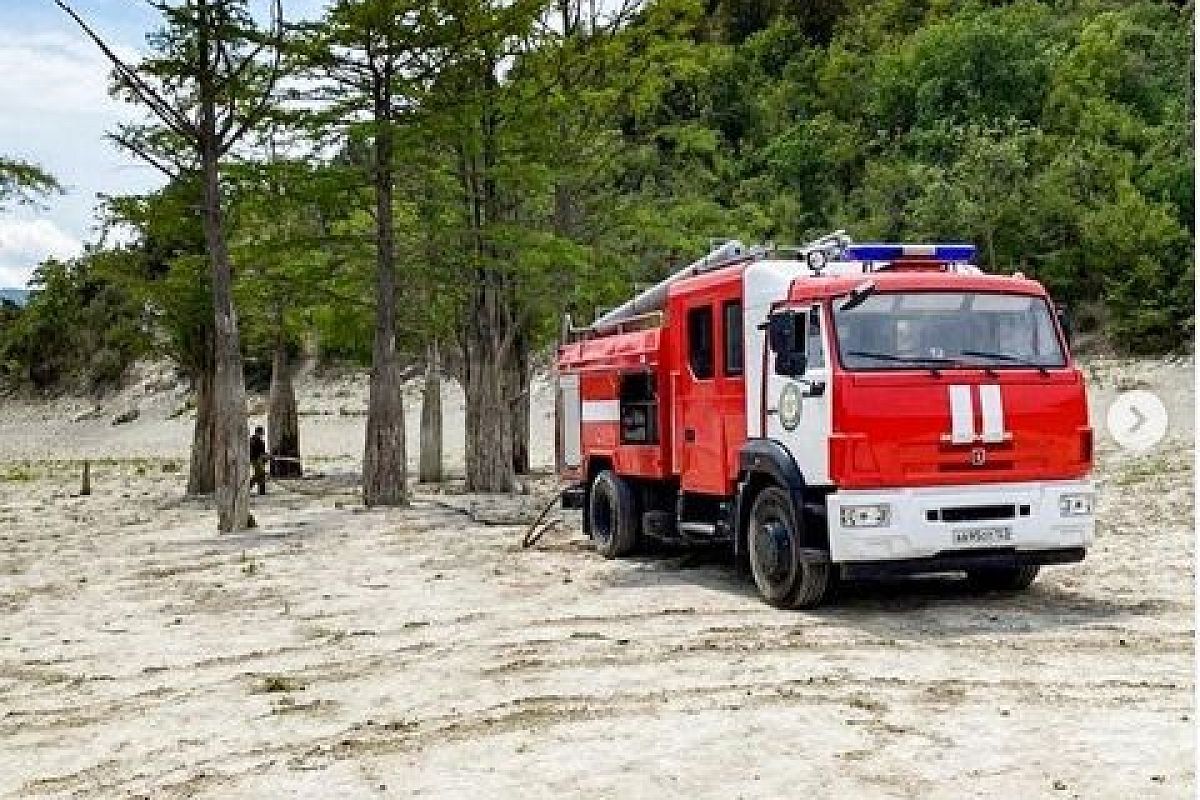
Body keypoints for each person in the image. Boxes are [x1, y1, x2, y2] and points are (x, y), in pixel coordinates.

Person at [249, 426, 268, 496]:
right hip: (255, 460)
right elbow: (253, 452)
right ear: (257, 433)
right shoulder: (252, 441)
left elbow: (262, 452)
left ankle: (262, 491)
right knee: (259, 474)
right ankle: (248, 487)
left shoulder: (260, 442)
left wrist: (265, 456)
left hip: (259, 460)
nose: (262, 435)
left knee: (260, 475)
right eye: (261, 433)